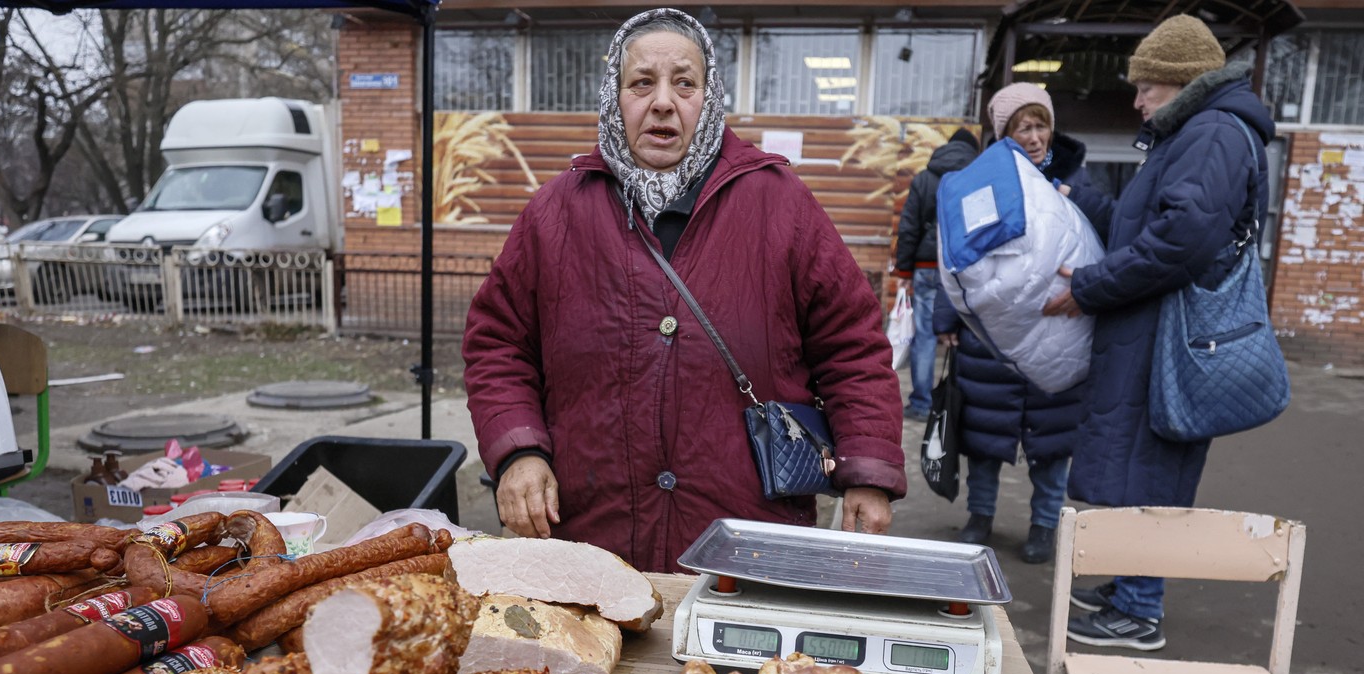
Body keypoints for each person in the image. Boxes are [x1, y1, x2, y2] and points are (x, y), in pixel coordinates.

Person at [462, 8, 905, 572]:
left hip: (746, 546)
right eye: (642, 82)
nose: (664, 102)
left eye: (685, 83)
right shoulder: (555, 214)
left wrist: (867, 472)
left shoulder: (781, 204)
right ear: (614, 97)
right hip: (590, 546)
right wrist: (518, 451)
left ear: (709, 96)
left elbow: (853, 348)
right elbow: (498, 344)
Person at [1043, 15, 1274, 650]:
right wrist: (1078, 197)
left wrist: (1089, 287)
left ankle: (1141, 611)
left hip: (1169, 338)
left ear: (1181, 81)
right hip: (1154, 333)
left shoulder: (1211, 134)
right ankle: (1129, 588)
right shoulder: (1193, 133)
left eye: (1146, 87)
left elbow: (1181, 241)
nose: (1138, 100)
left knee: (1152, 470)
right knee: (1138, 463)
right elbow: (1144, 224)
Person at [934, 84, 1110, 565]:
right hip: (992, 345)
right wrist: (947, 316)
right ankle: (981, 517)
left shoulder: (1080, 179)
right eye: (1021, 128)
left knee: (1051, 448)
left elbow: (1106, 240)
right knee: (984, 443)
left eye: (1040, 125)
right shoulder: (981, 180)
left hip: (1059, 334)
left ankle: (1044, 525)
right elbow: (956, 254)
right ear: (1004, 134)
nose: (1033, 137)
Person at [893, 127, 978, 420]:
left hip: (928, 268)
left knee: (926, 336)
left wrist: (904, 268)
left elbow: (909, 227)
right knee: (968, 335)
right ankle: (963, 403)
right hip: (967, 268)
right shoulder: (977, 177)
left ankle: (921, 403)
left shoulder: (925, 178)